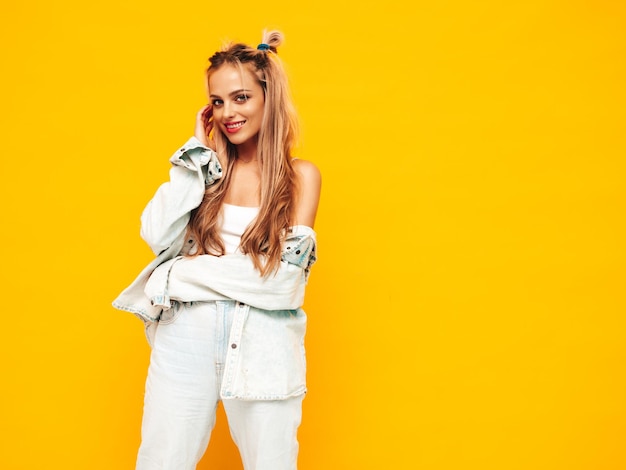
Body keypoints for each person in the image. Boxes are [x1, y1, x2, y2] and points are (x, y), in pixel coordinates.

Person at [112, 29, 321, 470]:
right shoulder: (208, 169)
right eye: (218, 101)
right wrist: (195, 156)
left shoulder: (301, 177)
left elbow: (283, 286)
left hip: (263, 342)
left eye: (241, 97)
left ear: (269, 97)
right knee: (161, 462)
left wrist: (179, 276)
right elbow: (154, 233)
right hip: (185, 337)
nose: (228, 113)